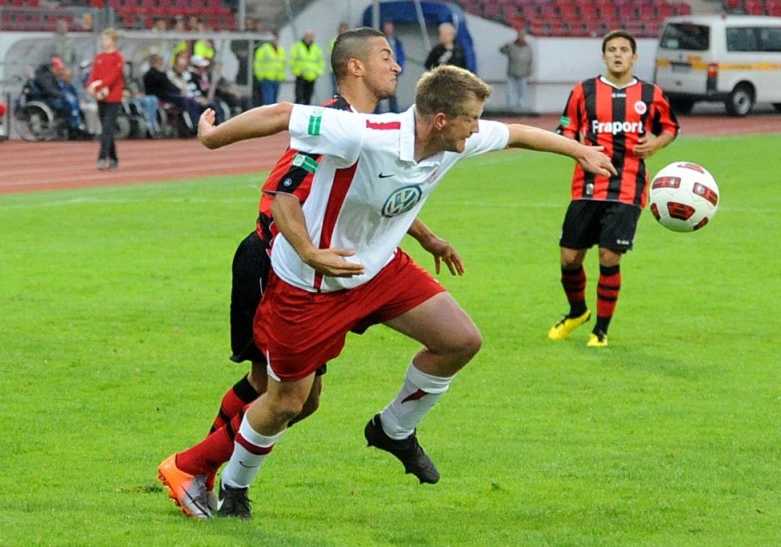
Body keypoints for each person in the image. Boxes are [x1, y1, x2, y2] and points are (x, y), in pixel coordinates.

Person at [159, 62, 616, 521]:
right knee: (289, 402)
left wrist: (581, 152)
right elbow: (281, 140)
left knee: (460, 340)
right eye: (471, 119)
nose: (478, 129)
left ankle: (393, 429)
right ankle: (235, 487)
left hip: (378, 271)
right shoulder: (362, 132)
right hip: (312, 284)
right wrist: (213, 140)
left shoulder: (453, 139)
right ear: (440, 121)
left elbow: (517, 133)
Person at [157, 26, 465, 520]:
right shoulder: (335, 121)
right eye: (387, 55)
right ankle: (193, 469)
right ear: (356, 67)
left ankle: (198, 468)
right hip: (277, 263)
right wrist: (308, 251)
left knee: (297, 399)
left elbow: (371, 198)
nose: (398, 65)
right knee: (280, 395)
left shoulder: (365, 124)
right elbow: (283, 191)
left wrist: (426, 237)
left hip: (311, 266)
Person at [548, 30, 679, 347]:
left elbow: (670, 127)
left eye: (624, 50)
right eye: (611, 49)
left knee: (609, 256)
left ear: (634, 57)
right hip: (587, 187)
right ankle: (577, 312)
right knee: (569, 258)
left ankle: (601, 331)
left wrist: (656, 142)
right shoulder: (585, 91)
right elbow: (566, 129)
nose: (617, 54)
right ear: (603, 56)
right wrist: (578, 148)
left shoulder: (650, 94)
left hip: (628, 187)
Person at [87, 27, 125, 170]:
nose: (104, 42)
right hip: (100, 98)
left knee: (107, 129)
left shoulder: (118, 58)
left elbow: (113, 77)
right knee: (106, 129)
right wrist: (91, 86)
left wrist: (100, 86)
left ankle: (102, 157)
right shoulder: (99, 57)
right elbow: (94, 74)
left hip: (113, 98)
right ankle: (114, 158)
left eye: (106, 39)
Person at [499, 27, 533, 113]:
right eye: (520, 35)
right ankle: (509, 108)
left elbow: (530, 61)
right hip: (512, 72)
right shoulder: (511, 46)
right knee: (509, 91)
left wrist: (529, 71)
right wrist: (508, 44)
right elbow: (502, 50)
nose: (521, 37)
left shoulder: (528, 47)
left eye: (523, 36)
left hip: (523, 73)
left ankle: (521, 108)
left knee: (522, 92)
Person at [290, 30, 325, 105]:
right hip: (301, 76)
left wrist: (318, 73)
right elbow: (292, 61)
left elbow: (321, 62)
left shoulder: (316, 48)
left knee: (308, 98)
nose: (309, 38)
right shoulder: (297, 47)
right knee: (299, 97)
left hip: (312, 77)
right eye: (307, 36)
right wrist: (297, 72)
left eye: (310, 36)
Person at [253, 30, 286, 105]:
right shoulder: (264, 49)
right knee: (268, 100)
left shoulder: (280, 49)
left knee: (274, 100)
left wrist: (282, 76)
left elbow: (282, 64)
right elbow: (258, 63)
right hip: (267, 78)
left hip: (277, 78)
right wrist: (260, 76)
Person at [378, 20, 405, 113]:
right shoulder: (380, 41)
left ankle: (394, 111)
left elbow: (400, 54)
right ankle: (376, 112)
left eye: (390, 27)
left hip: (393, 69)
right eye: (387, 27)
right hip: (382, 69)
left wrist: (400, 66)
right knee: (379, 90)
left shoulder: (396, 41)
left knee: (392, 92)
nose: (389, 29)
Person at [329, 22, 350, 96]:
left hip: (347, 69)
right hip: (336, 69)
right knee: (335, 88)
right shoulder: (334, 41)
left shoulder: (351, 43)